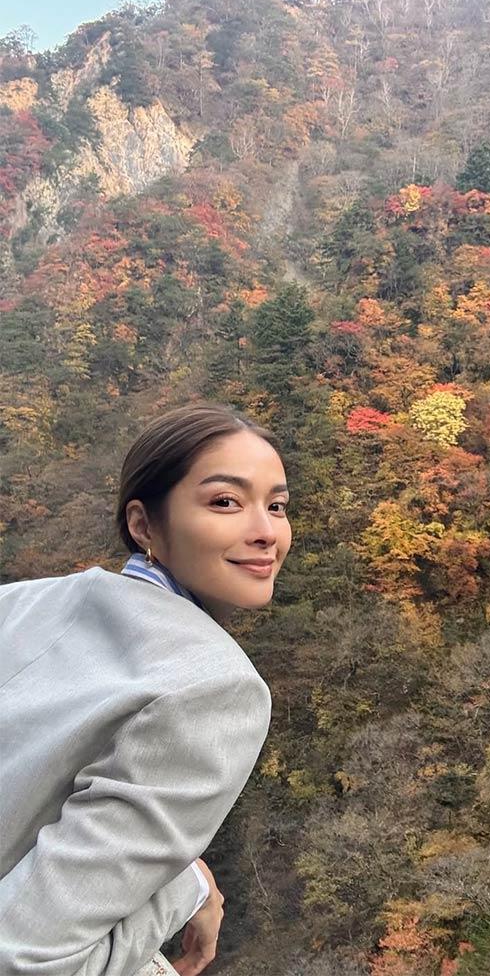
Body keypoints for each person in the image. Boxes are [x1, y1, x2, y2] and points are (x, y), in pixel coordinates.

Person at [0, 403, 292, 976]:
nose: (266, 533)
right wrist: (180, 892)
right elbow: (25, 959)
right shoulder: (213, 689)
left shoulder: (19, 601)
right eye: (225, 502)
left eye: (277, 506)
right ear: (143, 525)